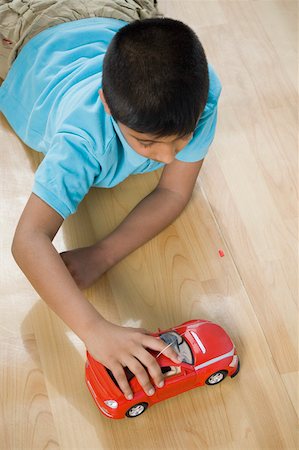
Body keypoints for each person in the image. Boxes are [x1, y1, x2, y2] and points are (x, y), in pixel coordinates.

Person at [0, 1, 222, 402]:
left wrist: (102, 254)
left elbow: (173, 190)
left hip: (110, 13)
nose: (170, 158)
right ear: (106, 103)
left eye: (182, 138)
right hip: (30, 26)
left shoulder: (200, 97)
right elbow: (27, 240)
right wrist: (93, 330)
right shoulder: (82, 141)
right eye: (148, 143)